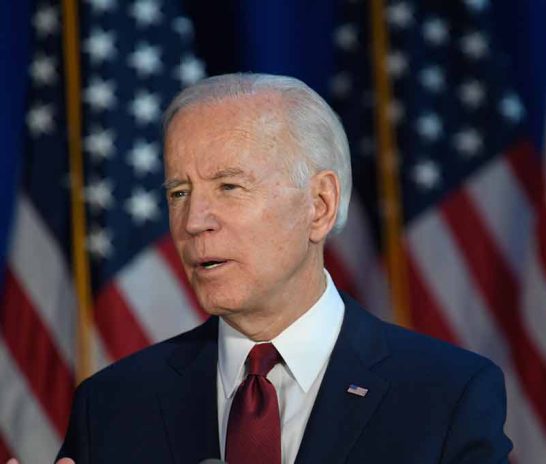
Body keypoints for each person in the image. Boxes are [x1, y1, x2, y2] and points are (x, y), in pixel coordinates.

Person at [50, 73, 512, 463]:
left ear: (319, 205)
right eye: (178, 193)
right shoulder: (111, 405)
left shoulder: (448, 397)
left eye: (229, 186)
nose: (193, 222)